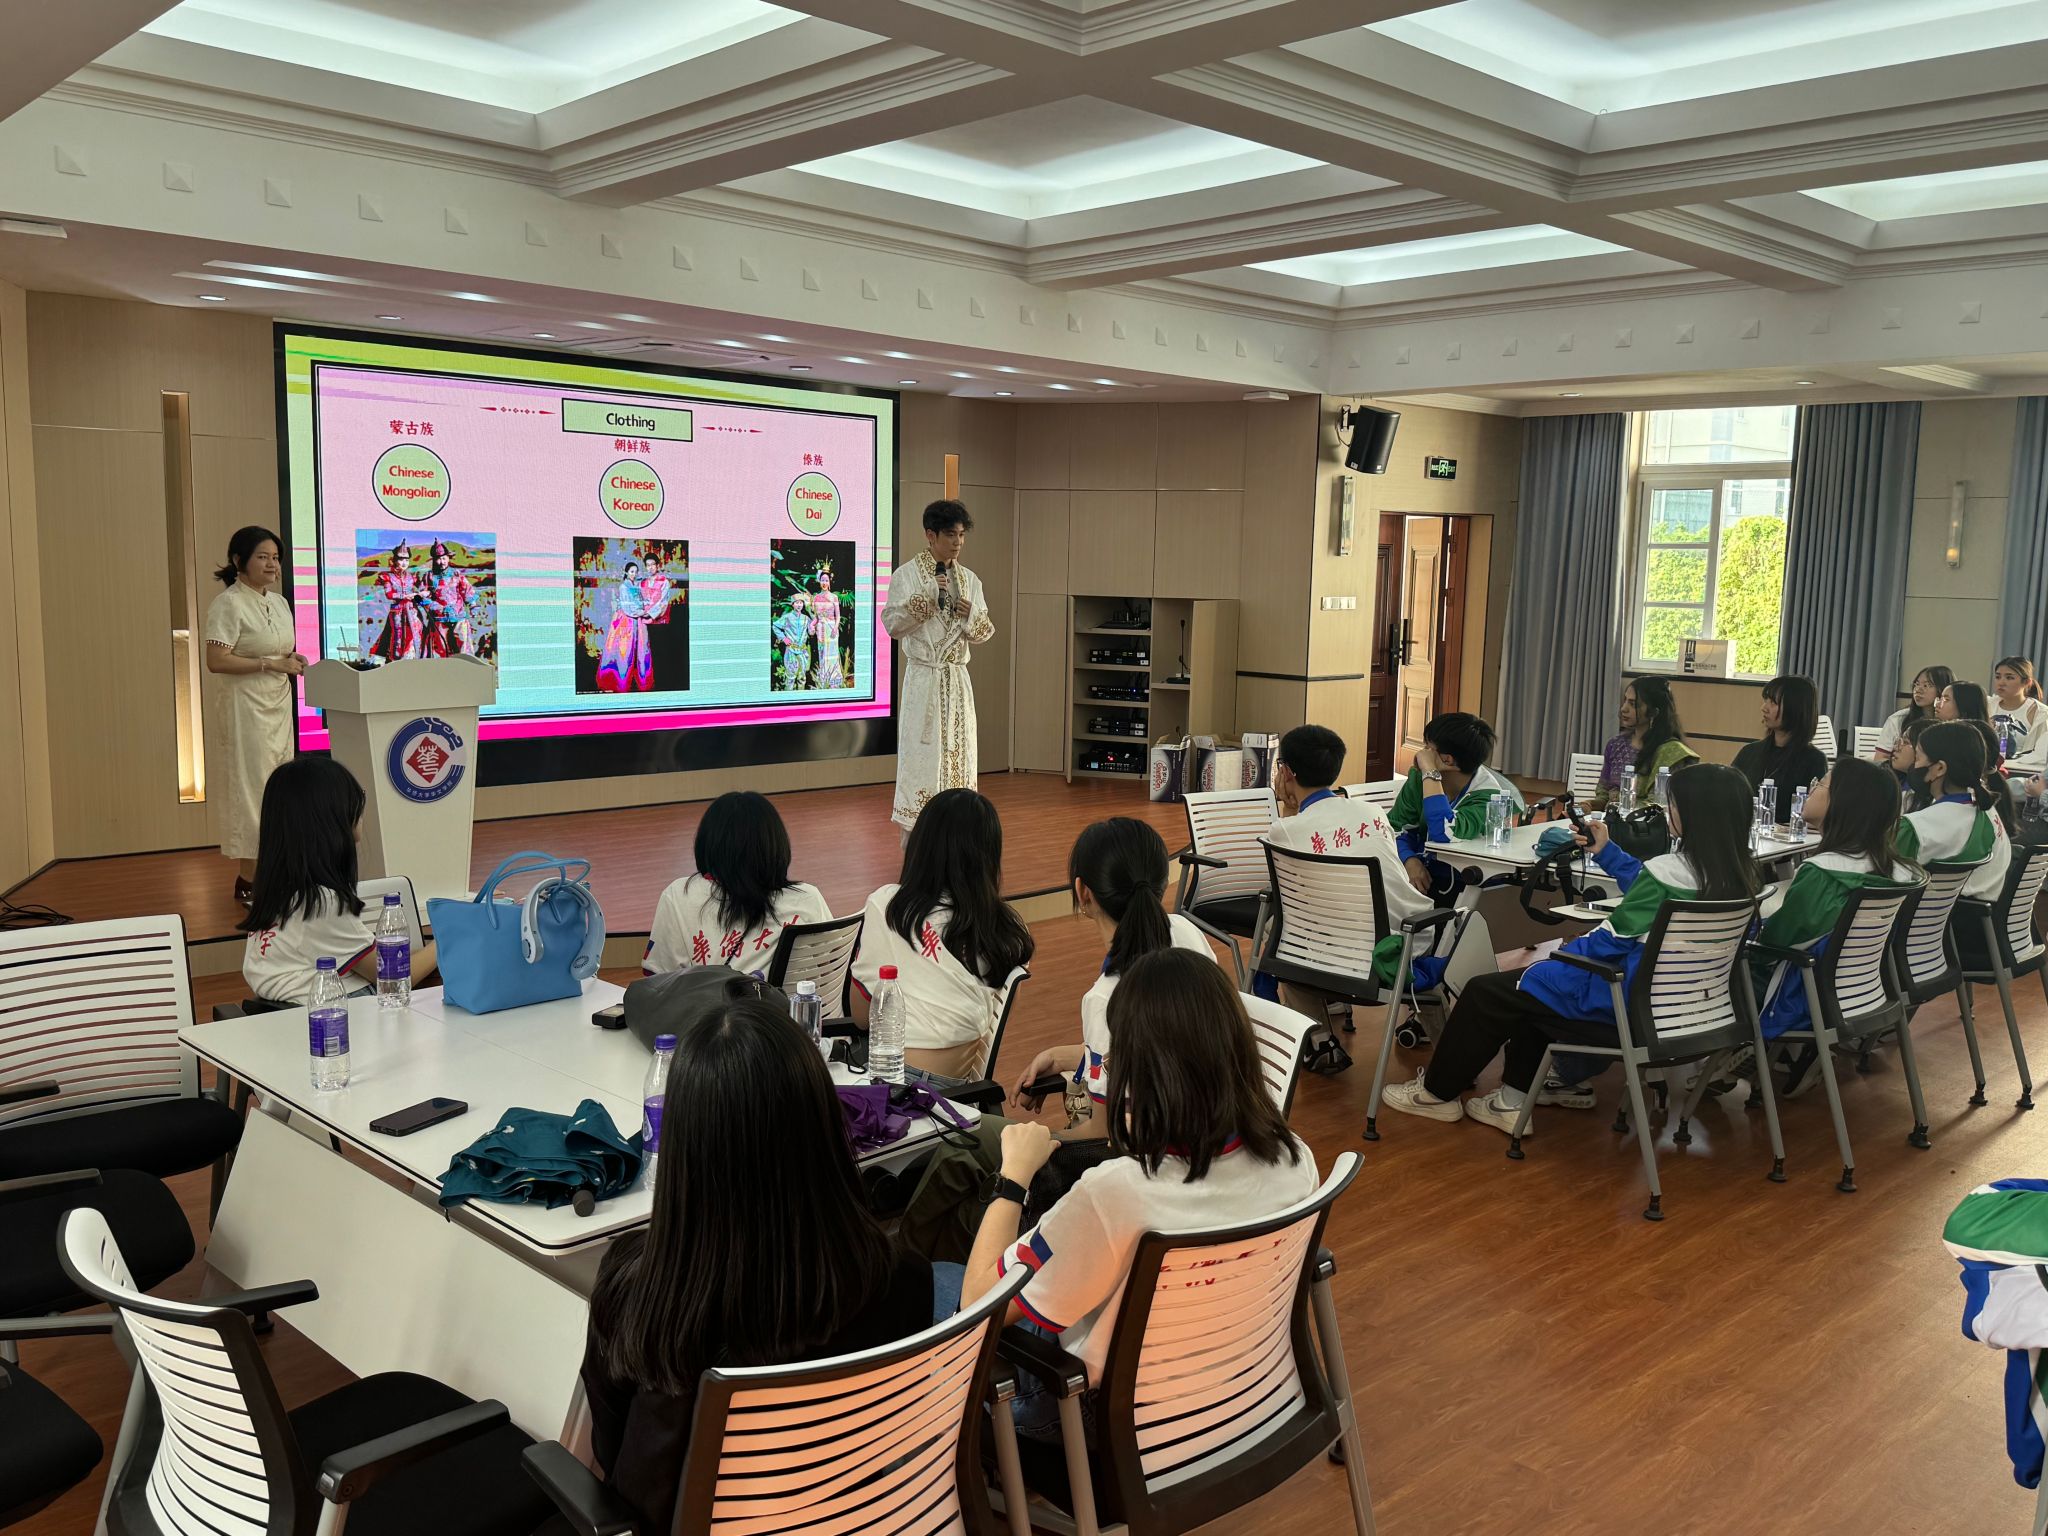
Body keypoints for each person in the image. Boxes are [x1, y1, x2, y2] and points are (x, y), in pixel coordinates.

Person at [581, 998, 934, 1536]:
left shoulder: (641, 1292)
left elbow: (611, 1458)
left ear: (684, 1145)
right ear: (824, 1125)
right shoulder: (900, 1278)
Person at [944, 949, 1317, 1443]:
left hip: (1103, 1418)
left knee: (926, 1283)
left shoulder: (1116, 1193)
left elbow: (977, 1305)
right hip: (1242, 1397)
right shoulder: (1296, 1159)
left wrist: (1013, 1177)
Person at [1381, 763, 1759, 1131]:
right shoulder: (1744, 881)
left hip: (1629, 1009)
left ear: (1692, 815)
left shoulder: (1668, 873)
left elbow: (1607, 942)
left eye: (1673, 804)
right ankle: (1510, 1103)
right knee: (1531, 991)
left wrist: (1558, 959)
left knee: (1490, 991)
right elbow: (1651, 892)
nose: (1669, 811)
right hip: (1694, 1016)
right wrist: (1607, 852)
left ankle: (1435, 1095)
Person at [1011, 818, 1216, 1131]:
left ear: (1083, 893)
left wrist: (1035, 1139)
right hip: (1211, 1127)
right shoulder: (1187, 931)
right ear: (1162, 882)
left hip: (1158, 1148)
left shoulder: (1106, 998)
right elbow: (1161, 1053)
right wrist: (1060, 1057)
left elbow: (1103, 1133)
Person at [851, 789, 1035, 1081]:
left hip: (899, 1082)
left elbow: (861, 1017)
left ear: (920, 846)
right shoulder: (1007, 925)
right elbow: (1001, 1011)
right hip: (962, 1087)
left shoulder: (888, 906)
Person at [1753, 758, 1920, 1047]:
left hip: (1802, 998)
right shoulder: (1901, 872)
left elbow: (1776, 944)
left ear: (1841, 802)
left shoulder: (1823, 872)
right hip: (1862, 992)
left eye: (1820, 784)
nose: (1811, 789)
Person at [240, 758, 436, 1003]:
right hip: (337, 1014)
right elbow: (394, 976)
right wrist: (449, 942)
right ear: (331, 817)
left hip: (294, 1012)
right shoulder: (321, 904)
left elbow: (370, 961)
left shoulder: (282, 893)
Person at [1264, 724, 1432, 1001]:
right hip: (1409, 941)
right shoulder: (1373, 811)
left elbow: (1289, 890)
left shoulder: (1284, 830)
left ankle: (1311, 1026)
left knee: (1280, 928)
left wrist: (1289, 808)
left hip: (1346, 953)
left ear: (1286, 772)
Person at [204, 525, 304, 905]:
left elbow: (278, 650)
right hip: (245, 709)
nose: (272, 565)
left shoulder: (279, 602)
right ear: (238, 561)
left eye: (275, 558)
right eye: (262, 557)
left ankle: (278, 874)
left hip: (278, 706)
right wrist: (269, 663)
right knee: (253, 792)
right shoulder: (228, 603)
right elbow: (216, 660)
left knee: (282, 789)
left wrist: (290, 659)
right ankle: (249, 880)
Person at [883, 500, 994, 831]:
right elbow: (892, 624)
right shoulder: (906, 576)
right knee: (923, 761)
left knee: (960, 759)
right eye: (950, 535)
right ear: (930, 535)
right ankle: (919, 835)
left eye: (961, 535)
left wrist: (972, 615)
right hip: (925, 681)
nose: (958, 542)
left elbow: (984, 632)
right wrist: (927, 599)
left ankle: (959, 833)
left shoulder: (970, 580)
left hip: (957, 682)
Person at [644, 792, 832, 974]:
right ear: (776, 845)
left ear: (707, 843)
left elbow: (658, 977)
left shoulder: (678, 895)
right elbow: (833, 966)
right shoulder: (808, 898)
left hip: (709, 998)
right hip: (794, 998)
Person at [1386, 712, 1524, 897]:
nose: (1421, 754)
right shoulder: (1419, 779)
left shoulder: (1489, 798)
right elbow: (1393, 828)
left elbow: (1444, 832)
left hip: (1468, 885)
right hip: (1422, 876)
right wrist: (1408, 859)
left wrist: (1430, 772)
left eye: (1427, 748)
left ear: (1447, 759)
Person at [1897, 722, 2013, 905]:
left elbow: (1886, 885)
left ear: (1939, 768)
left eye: (1918, 757)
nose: (1914, 765)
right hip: (1977, 915)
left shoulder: (1917, 827)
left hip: (1931, 916)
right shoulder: (1987, 811)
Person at [1733, 674, 1829, 823]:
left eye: (1773, 702)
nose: (1764, 708)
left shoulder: (1814, 760)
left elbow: (1814, 816)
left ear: (1794, 708)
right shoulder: (1749, 752)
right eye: (1765, 700)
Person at [1596, 678, 1699, 805]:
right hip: (1609, 815)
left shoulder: (1671, 753)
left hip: (1645, 817)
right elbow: (1603, 794)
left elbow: (1658, 805)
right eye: (1625, 700)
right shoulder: (1616, 744)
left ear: (1654, 712)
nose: (1623, 709)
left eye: (1633, 704)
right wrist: (1588, 806)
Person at [1870, 665, 1953, 759]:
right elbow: (1880, 759)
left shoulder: (1953, 722)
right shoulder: (1898, 719)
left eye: (1926, 685)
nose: (1918, 690)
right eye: (1916, 684)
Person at [367, 539, 425, 662]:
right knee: (397, 637)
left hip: (412, 611)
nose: (404, 563)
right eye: (401, 559)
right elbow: (389, 594)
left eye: (407, 560)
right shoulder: (388, 577)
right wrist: (405, 596)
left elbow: (421, 589)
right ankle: (395, 662)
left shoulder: (412, 577)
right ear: (394, 560)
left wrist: (424, 593)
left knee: (415, 634)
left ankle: (413, 660)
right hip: (397, 612)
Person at [421, 540, 476, 658]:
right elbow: (422, 597)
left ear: (448, 558)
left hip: (458, 616)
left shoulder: (456, 574)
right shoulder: (429, 576)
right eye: (438, 559)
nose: (442, 562)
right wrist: (437, 607)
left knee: (462, 645)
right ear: (434, 560)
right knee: (440, 648)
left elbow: (467, 590)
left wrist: (473, 605)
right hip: (439, 618)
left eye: (444, 558)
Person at [1993, 657, 2047, 770]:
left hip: (2024, 771)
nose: (2001, 682)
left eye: (2009, 677)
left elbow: (2042, 755)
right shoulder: (1987, 704)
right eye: (1998, 677)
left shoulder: (2041, 713)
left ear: (2027, 682)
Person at [812, 568, 848, 689]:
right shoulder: (816, 598)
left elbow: (838, 616)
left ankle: (834, 681)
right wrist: (812, 625)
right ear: (819, 581)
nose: (824, 583)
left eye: (826, 580)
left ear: (829, 582)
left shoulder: (834, 597)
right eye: (822, 580)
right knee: (822, 654)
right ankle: (824, 680)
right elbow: (816, 617)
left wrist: (835, 628)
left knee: (832, 654)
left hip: (831, 628)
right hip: (820, 629)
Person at [773, 591, 812, 690]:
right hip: (791, 651)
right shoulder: (787, 617)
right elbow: (775, 626)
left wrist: (813, 628)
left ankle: (801, 697)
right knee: (790, 677)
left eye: (801, 602)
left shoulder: (806, 619)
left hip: (802, 652)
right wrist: (783, 638)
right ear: (792, 604)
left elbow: (811, 633)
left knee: (802, 677)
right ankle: (788, 696)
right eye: (796, 602)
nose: (799, 605)